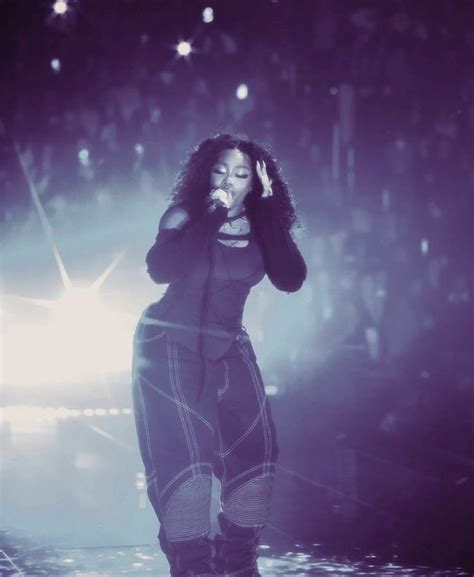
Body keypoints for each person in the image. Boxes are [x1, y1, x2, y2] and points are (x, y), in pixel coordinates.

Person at [131, 133, 307, 577]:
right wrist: (211, 214)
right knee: (187, 460)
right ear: (206, 173)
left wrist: (268, 209)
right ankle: (192, 565)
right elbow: (161, 269)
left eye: (242, 174)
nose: (230, 179)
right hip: (169, 342)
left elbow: (290, 278)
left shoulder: (262, 225)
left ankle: (240, 562)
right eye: (221, 170)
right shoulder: (185, 216)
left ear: (257, 182)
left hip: (230, 343)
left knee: (258, 452)